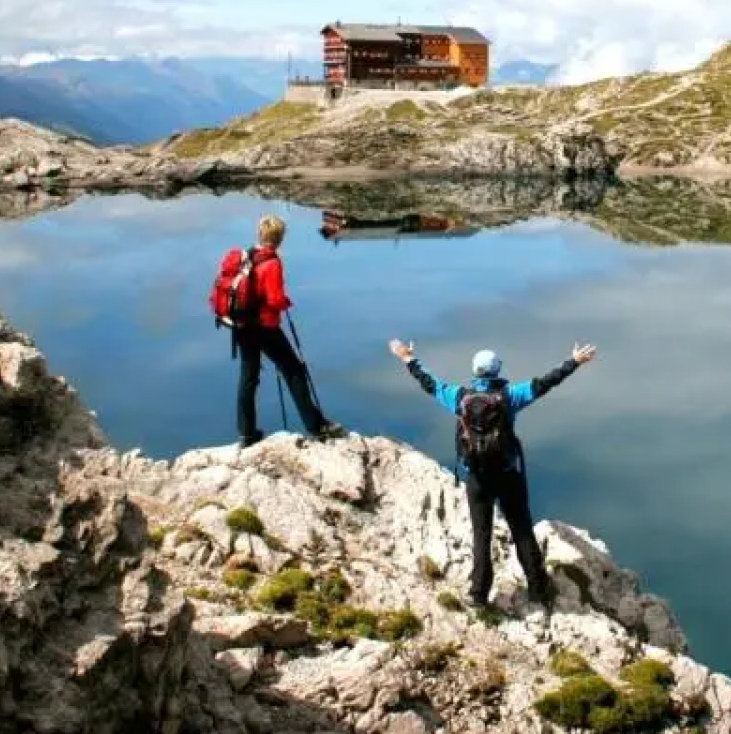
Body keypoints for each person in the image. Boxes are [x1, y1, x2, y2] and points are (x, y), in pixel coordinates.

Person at [388, 337, 597, 612]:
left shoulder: (458, 398)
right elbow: (546, 383)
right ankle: (538, 590)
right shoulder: (510, 396)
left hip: (477, 477)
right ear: (498, 370)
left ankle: (479, 594)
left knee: (481, 534)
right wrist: (574, 362)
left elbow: (429, 384)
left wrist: (408, 359)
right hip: (508, 474)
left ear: (474, 372)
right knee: (521, 529)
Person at [236, 214, 343, 445]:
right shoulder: (272, 263)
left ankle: (246, 434)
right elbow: (274, 300)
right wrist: (285, 302)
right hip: (264, 327)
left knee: (248, 377)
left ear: (260, 234)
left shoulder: (247, 256)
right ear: (280, 238)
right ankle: (317, 427)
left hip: (241, 326)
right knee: (294, 371)